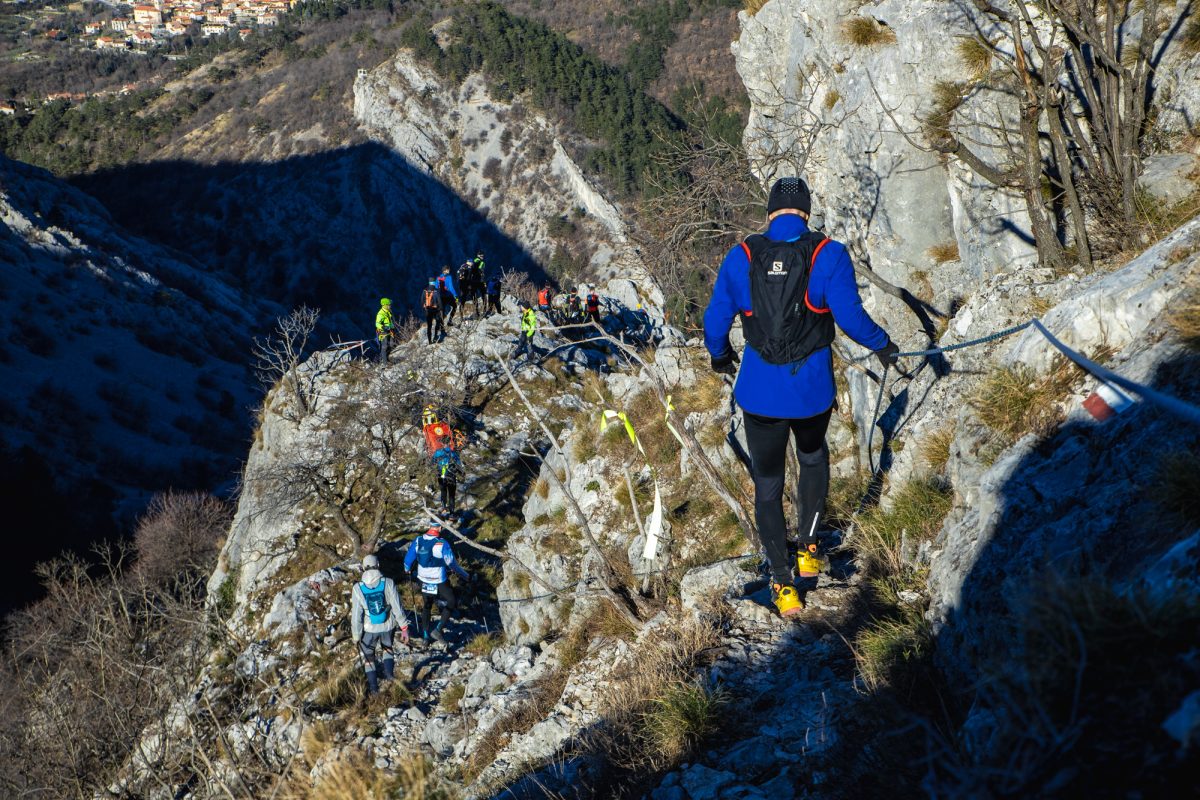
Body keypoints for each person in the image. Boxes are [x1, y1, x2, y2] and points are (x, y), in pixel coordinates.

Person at [704, 177, 898, 618]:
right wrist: (882, 344)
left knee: (768, 486)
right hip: (811, 392)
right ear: (805, 213)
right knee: (812, 458)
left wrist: (720, 356)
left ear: (770, 213)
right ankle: (809, 550)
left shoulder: (743, 257)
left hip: (759, 394)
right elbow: (850, 316)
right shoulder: (828, 254)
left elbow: (715, 319)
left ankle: (782, 583)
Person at [350, 554, 410, 694]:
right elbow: (397, 606)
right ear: (378, 565)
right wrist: (404, 628)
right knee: (387, 649)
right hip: (388, 626)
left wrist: (356, 636)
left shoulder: (357, 588)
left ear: (363, 568)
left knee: (369, 657)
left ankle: (374, 689)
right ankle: (390, 680)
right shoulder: (388, 582)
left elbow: (356, 616)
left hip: (369, 628)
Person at [404, 524, 470, 643]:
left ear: (430, 526)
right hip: (439, 579)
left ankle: (425, 636)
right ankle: (438, 629)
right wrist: (464, 575)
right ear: (439, 527)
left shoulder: (418, 540)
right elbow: (451, 562)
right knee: (451, 601)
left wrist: (407, 569)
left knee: (427, 604)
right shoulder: (442, 543)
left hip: (423, 578)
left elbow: (408, 560)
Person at [422, 278, 444, 344]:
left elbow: (422, 301)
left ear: (429, 282)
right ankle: (435, 337)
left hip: (427, 310)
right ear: (434, 283)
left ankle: (429, 341)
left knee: (429, 326)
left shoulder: (424, 290)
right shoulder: (436, 291)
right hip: (435, 310)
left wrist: (425, 309)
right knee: (438, 322)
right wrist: (441, 309)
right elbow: (439, 301)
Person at [375, 298, 395, 363]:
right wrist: (384, 327)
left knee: (391, 345)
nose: (390, 306)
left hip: (390, 332)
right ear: (385, 305)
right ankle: (384, 363)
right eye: (389, 305)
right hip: (384, 333)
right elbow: (377, 324)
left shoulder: (388, 311)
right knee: (384, 347)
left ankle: (389, 360)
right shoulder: (380, 314)